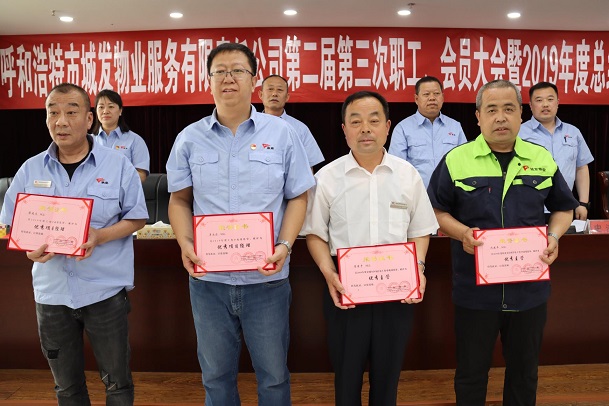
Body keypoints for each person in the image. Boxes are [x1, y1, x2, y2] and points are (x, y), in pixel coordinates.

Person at [166, 43, 315, 405]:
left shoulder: (282, 134)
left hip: (267, 281)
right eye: (220, 71)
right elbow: (179, 200)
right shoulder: (188, 138)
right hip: (209, 283)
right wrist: (185, 243)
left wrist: (284, 246)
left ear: (253, 81)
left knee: (274, 378)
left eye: (237, 70)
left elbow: (299, 196)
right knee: (215, 378)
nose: (228, 78)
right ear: (209, 80)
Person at [427, 79, 578, 405]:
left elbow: (564, 208)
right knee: (471, 373)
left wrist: (553, 236)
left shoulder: (540, 158)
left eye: (509, 109)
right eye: (491, 109)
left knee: (524, 372)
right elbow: (435, 211)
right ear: (478, 116)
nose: (500, 117)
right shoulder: (457, 159)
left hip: (529, 290)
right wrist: (461, 233)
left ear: (521, 114)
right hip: (475, 292)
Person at [0, 83, 148, 405]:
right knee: (66, 388)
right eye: (53, 113)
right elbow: (11, 224)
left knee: (118, 384)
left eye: (71, 112)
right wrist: (27, 247)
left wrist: (99, 235)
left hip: (104, 292)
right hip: (52, 295)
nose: (61, 121)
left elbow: (137, 217)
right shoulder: (30, 169)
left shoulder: (117, 165)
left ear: (89, 119)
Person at [304, 91, 438, 406]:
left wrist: (418, 269)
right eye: (356, 121)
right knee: (346, 379)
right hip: (345, 289)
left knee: (387, 381)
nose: (365, 128)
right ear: (344, 130)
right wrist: (329, 274)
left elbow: (420, 230)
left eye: (374, 120)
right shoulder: (327, 178)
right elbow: (315, 234)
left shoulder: (407, 174)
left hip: (397, 291)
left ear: (387, 127)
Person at [519, 81, 594, 220]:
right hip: (527, 209)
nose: (545, 104)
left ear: (557, 103)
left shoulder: (573, 132)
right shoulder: (519, 133)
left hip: (564, 209)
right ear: (530, 105)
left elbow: (581, 168)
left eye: (550, 99)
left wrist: (583, 203)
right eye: (539, 100)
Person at [388, 76, 467, 188]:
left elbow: (465, 161)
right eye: (426, 94)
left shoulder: (455, 127)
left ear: (442, 97)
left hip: (450, 194)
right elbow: (396, 167)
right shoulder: (403, 128)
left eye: (436, 94)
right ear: (416, 99)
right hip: (416, 193)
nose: (432, 98)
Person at [258, 74, 325, 168]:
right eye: (270, 89)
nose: (274, 94)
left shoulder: (300, 129)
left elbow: (308, 167)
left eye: (280, 90)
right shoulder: (250, 125)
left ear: (287, 97)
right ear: (261, 95)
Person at [92, 89, 150, 182]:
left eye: (111, 106)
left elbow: (141, 175)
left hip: (122, 190)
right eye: (101, 107)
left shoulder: (135, 140)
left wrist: (115, 179)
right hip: (93, 190)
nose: (105, 111)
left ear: (120, 111)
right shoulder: (88, 141)